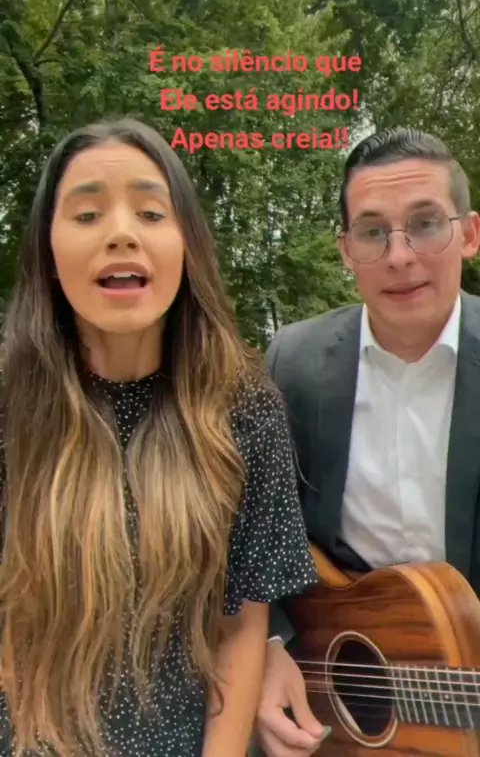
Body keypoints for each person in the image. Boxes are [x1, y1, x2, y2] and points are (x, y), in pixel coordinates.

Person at [0, 117, 319, 757]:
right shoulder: (10, 406)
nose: (121, 233)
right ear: (49, 253)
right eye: (87, 215)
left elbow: (240, 625)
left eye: (150, 213)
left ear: (186, 246)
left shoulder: (246, 409)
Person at [254, 127, 480, 757]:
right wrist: (270, 646)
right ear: (346, 250)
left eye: (426, 224)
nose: (399, 256)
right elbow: (247, 525)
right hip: (334, 707)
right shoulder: (293, 363)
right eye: (373, 232)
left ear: (470, 234)